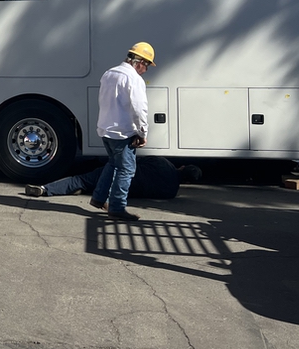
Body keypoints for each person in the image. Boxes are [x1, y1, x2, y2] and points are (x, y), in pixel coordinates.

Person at [58, 42, 154, 221]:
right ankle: (117, 207)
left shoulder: (109, 73)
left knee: (113, 164)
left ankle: (99, 198)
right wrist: (142, 133)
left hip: (106, 130)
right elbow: (139, 109)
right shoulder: (134, 79)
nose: (146, 70)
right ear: (139, 62)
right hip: (123, 132)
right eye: (146, 65)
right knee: (126, 170)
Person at [25, 156, 202, 200]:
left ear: (183, 166)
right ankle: (84, 189)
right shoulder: (171, 193)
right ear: (187, 182)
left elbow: (134, 160)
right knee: (88, 184)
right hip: (123, 193)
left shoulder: (163, 163)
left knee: (81, 179)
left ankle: (45, 189)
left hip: (119, 175)